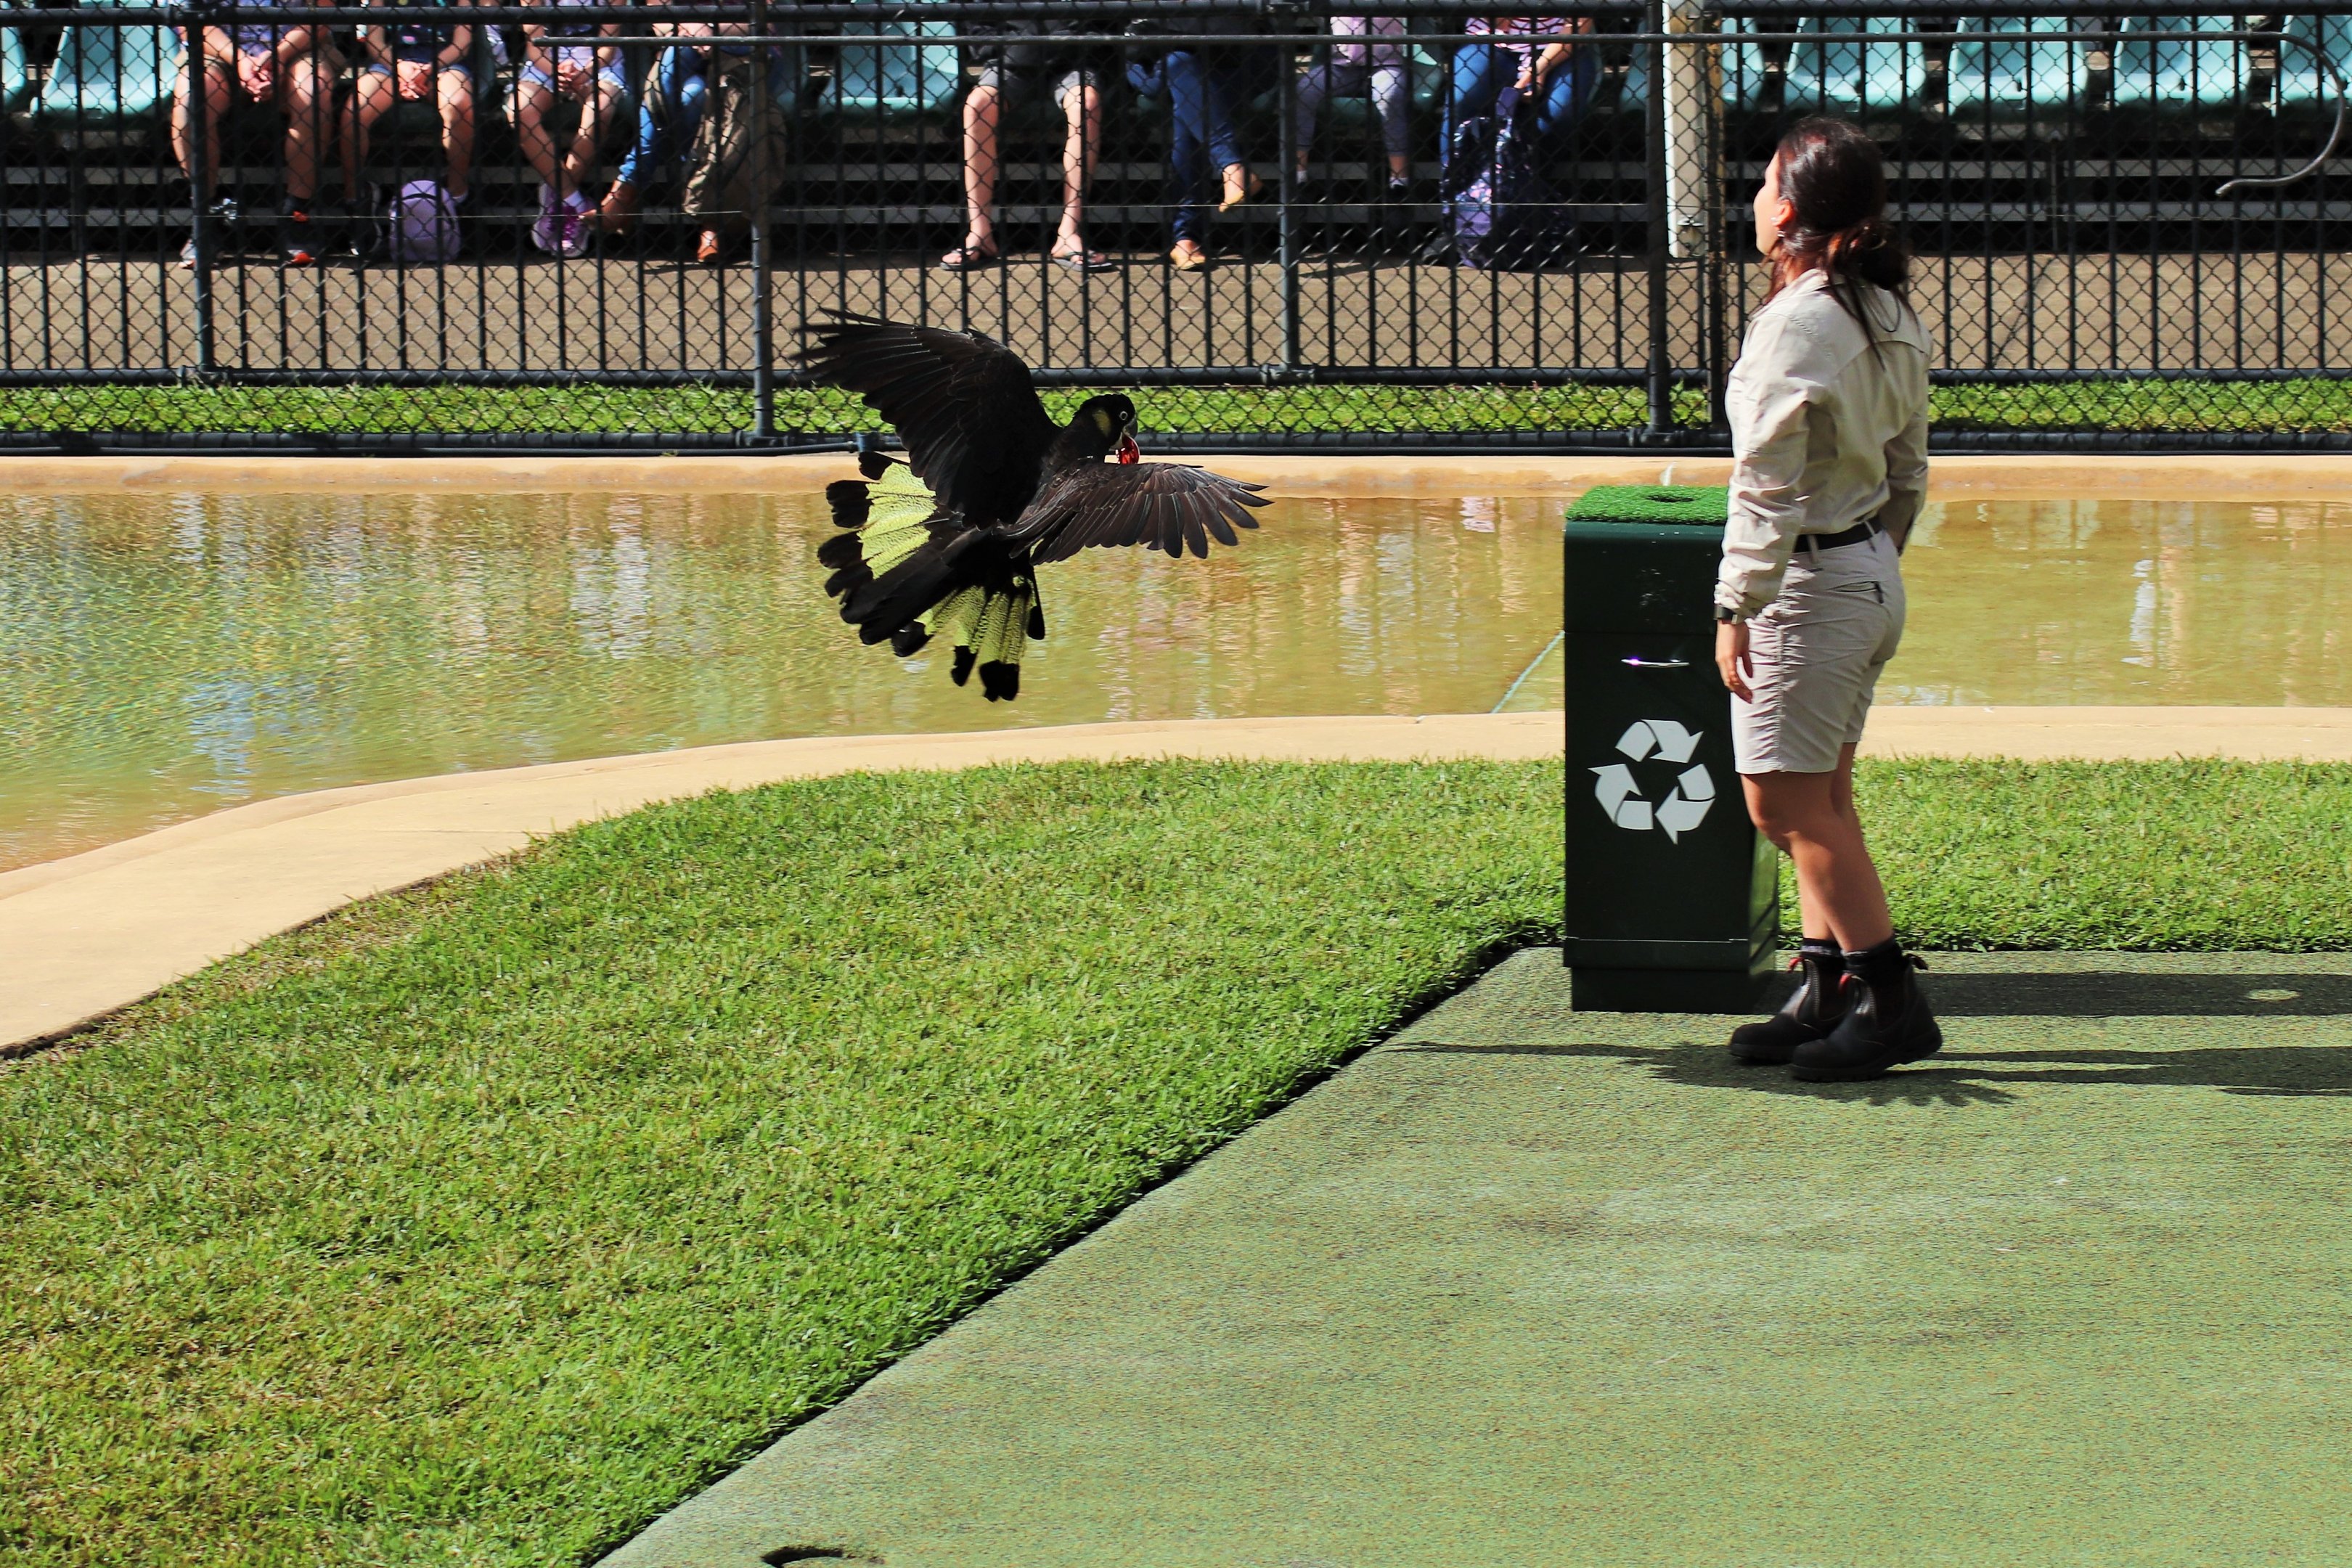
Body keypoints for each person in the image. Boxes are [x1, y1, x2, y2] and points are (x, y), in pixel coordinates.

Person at [1714, 117, 1939, 1084]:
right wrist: (1870, 563)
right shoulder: (1883, 308)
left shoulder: (1800, 321)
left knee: (1784, 802)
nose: (1755, 199)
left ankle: (1890, 1003)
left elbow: (1763, 483)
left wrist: (1736, 604)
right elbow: (1908, 470)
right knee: (1826, 796)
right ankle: (1826, 987)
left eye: (1766, 184)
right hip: (1863, 573)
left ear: (1794, 208)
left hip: (1812, 582)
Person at [596, 11, 793, 264]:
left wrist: (711, 29)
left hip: (748, 51)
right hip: (689, 48)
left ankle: (627, 190)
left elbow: (761, 18)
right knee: (691, 96)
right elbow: (660, 15)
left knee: (682, 79)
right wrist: (690, 27)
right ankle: (709, 221)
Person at [171, 0, 343, 267]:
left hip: (298, 46)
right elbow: (189, 21)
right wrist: (239, 60)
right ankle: (205, 217)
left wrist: (280, 54)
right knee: (191, 100)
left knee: (312, 92)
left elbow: (320, 15)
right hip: (218, 48)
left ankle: (298, 215)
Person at [944, 21, 1112, 271]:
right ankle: (979, 233)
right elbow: (978, 32)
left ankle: (1069, 232)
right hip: (1011, 60)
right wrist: (1023, 46)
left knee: (1086, 105)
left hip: (1073, 61)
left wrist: (1060, 43)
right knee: (977, 106)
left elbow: (1102, 24)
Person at [1126, 7, 1277, 272]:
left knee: (1189, 99)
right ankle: (1232, 167)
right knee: (1180, 68)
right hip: (1154, 56)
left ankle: (1185, 237)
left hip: (1236, 57)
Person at [514, 0, 631, 256]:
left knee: (600, 109)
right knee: (519, 110)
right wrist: (556, 72)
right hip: (546, 63)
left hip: (597, 63)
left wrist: (585, 73)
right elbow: (535, 48)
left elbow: (608, 45)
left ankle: (556, 201)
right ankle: (574, 201)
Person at [341, 0, 477, 219]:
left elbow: (462, 43)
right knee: (354, 111)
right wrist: (399, 68)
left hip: (444, 63)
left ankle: (457, 197)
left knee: (458, 104)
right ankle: (357, 200)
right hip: (391, 63)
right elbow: (374, 41)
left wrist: (429, 68)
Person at [1292, 15, 1411, 201]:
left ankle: (1399, 182)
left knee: (1391, 95)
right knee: (1304, 91)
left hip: (1387, 63)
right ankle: (1298, 178)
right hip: (1341, 65)